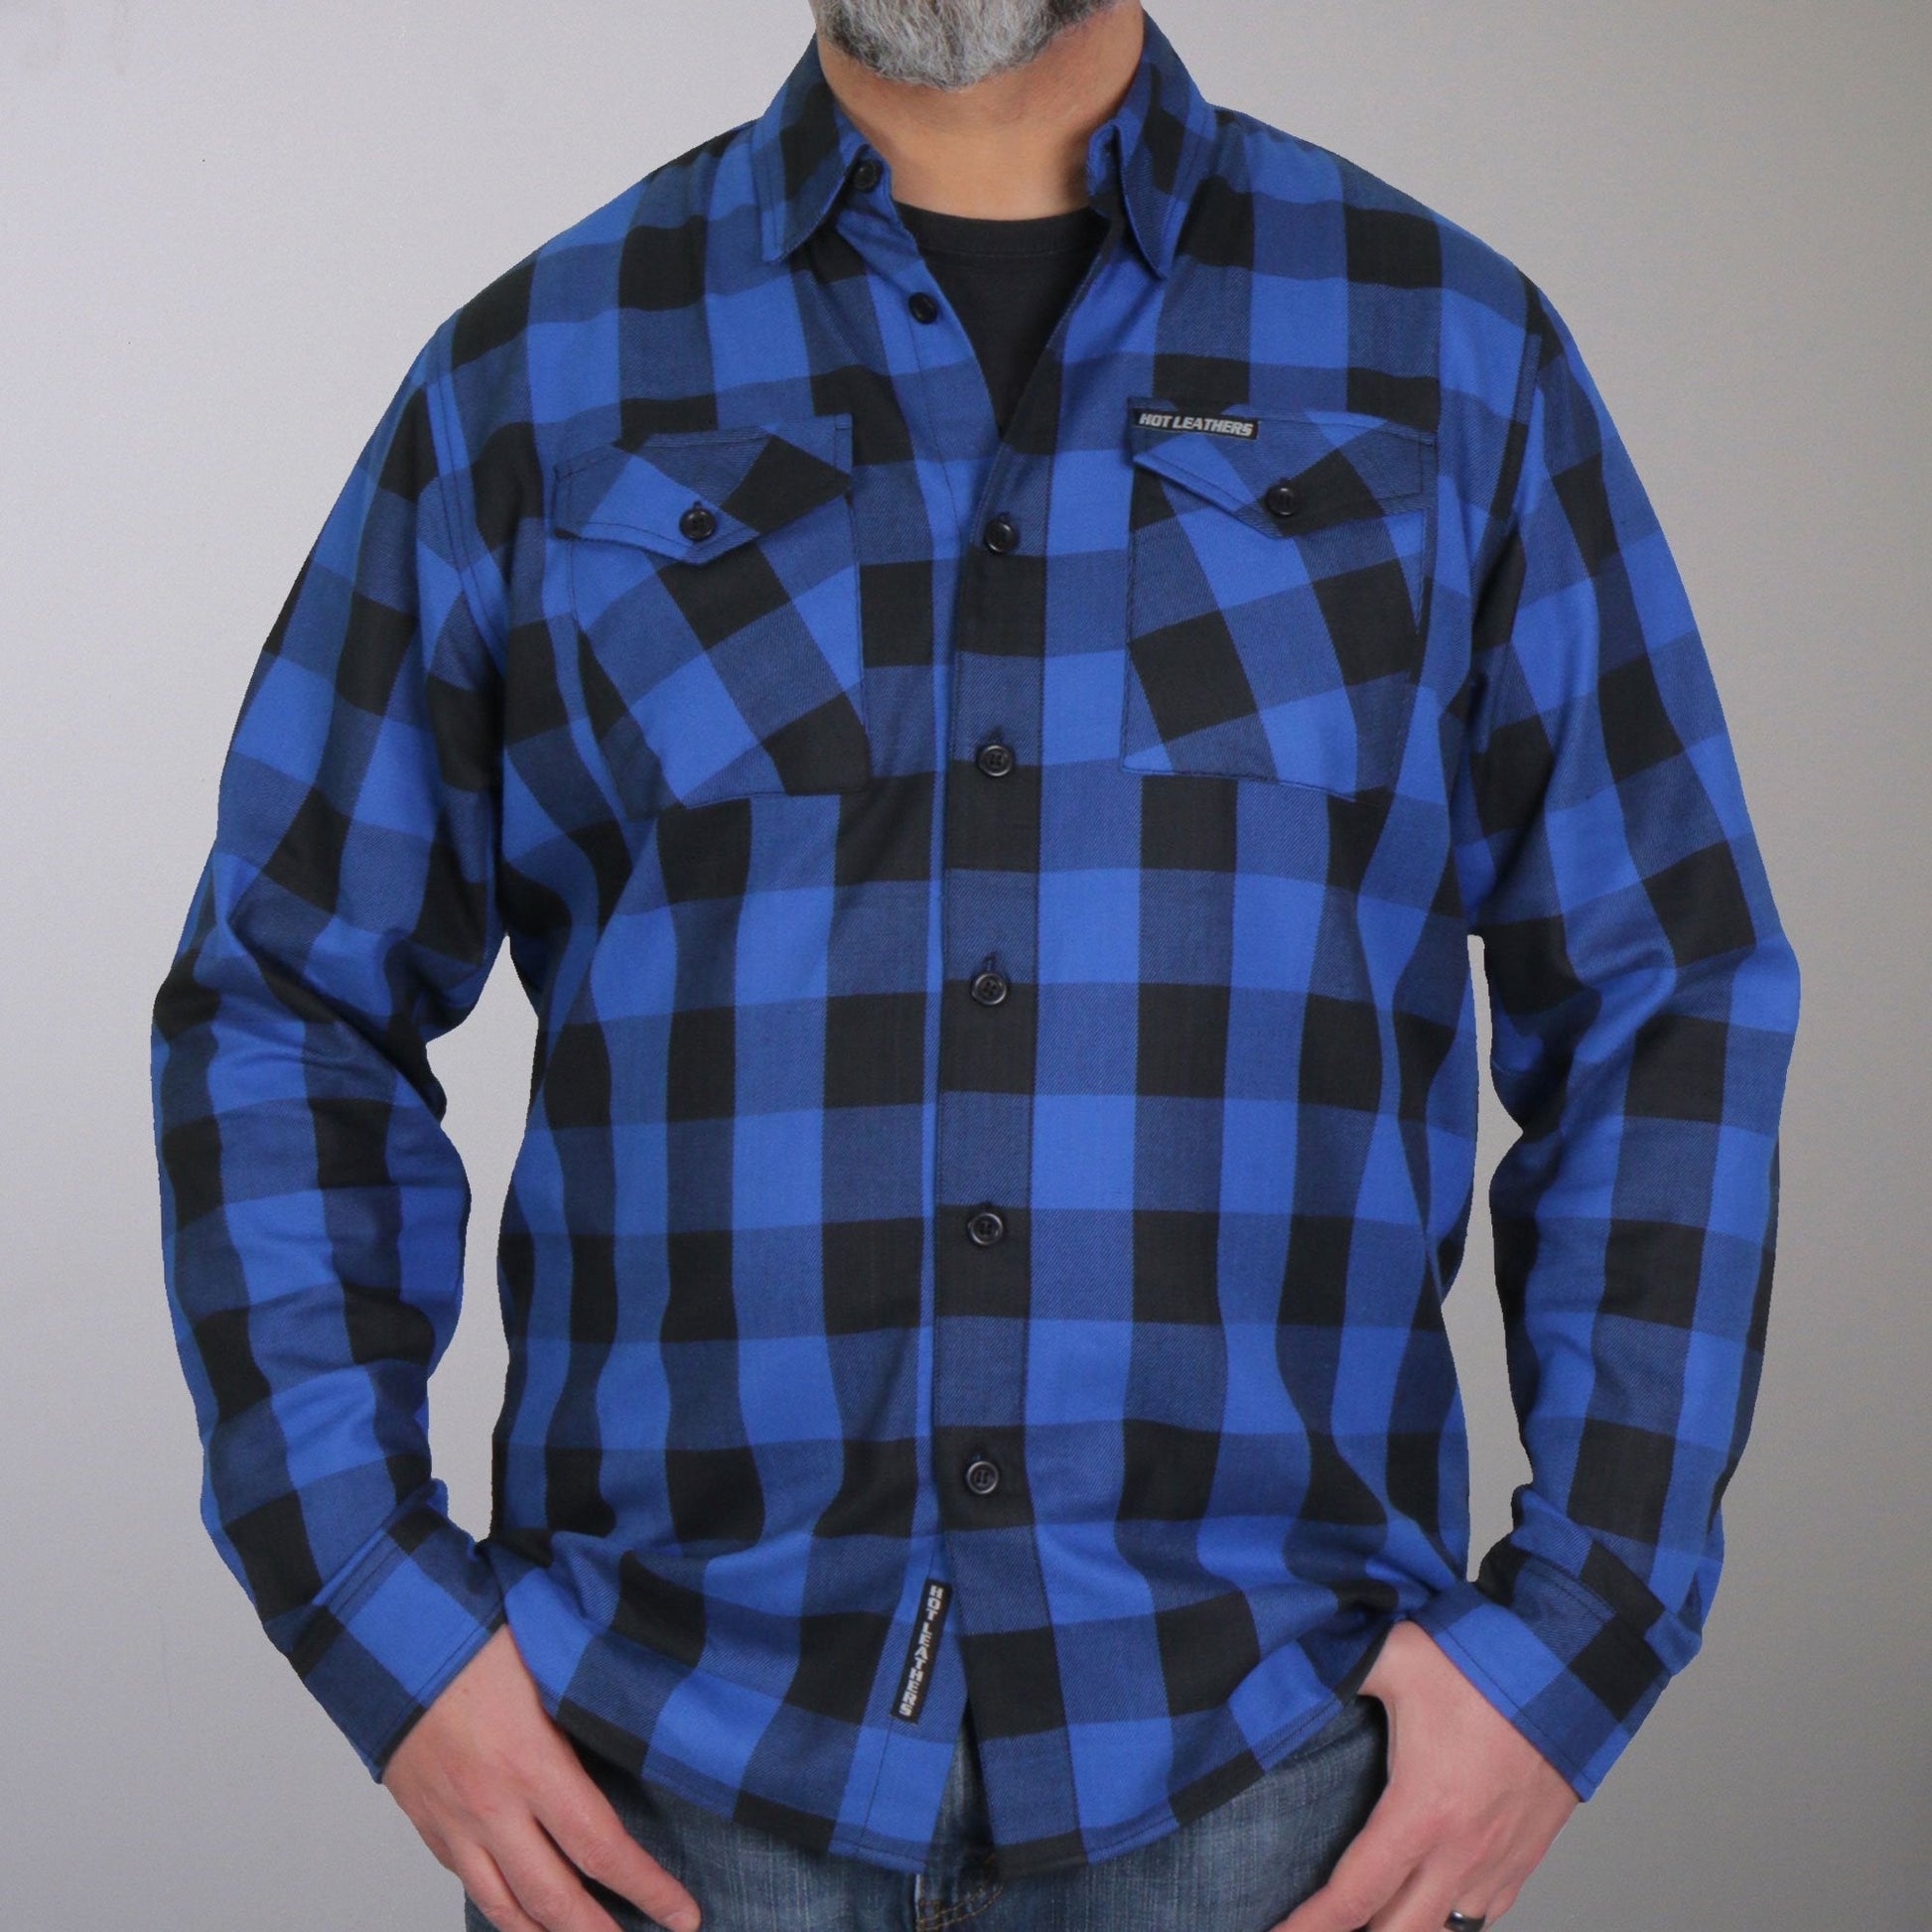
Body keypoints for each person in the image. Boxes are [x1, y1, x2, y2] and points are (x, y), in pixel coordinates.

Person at [147, 2, 1801, 1928]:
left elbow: (1665, 985)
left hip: (1271, 1769)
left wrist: (1575, 1637)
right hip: (664, 1772)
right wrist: (376, 1611)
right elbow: (285, 997)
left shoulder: (1443, 347)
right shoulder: (538, 367)